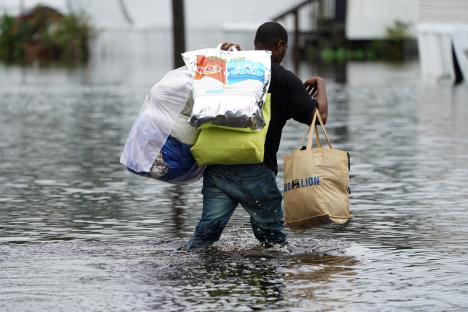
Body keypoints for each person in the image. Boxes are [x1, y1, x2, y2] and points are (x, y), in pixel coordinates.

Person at [187, 21, 328, 250]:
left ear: (256, 44)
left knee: (204, 237)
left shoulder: (231, 68)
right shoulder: (284, 79)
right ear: (281, 46)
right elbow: (320, 116)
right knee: (274, 244)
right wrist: (320, 84)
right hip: (257, 170)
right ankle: (270, 283)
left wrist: (228, 56)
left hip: (217, 167)